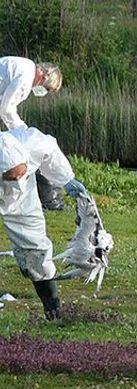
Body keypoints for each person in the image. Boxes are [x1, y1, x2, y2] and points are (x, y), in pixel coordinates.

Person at [0, 127, 88, 320]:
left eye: (18, 174)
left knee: (35, 249)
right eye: (10, 176)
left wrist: (67, 179)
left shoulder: (32, 141)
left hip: (23, 197)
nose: (15, 179)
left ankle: (53, 309)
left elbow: (51, 152)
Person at [0, 56, 65, 210]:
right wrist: (23, 132)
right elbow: (6, 109)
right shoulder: (25, 79)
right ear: (44, 76)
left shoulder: (25, 66)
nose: (45, 92)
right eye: (48, 89)